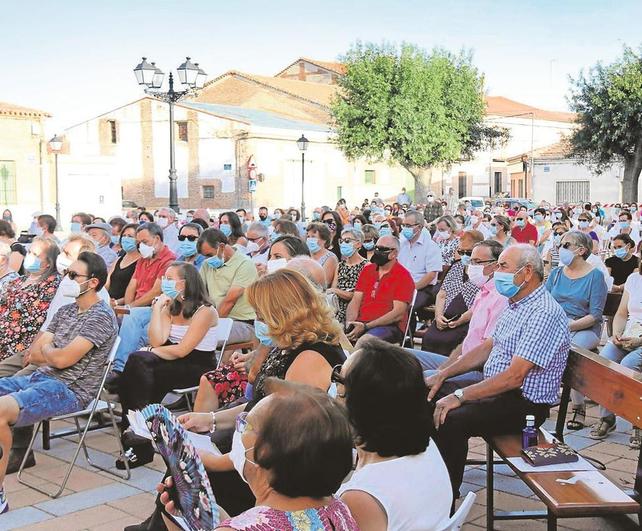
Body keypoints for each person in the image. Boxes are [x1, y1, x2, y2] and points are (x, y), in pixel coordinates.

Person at [426, 244, 570, 499]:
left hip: (523, 405)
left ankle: (445, 498)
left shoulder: (543, 312)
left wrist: (460, 396)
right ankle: (428, 485)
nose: (496, 272)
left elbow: (515, 377)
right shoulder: (516, 304)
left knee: (449, 418)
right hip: (498, 389)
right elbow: (488, 346)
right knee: (425, 393)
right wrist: (443, 373)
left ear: (526, 273)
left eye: (503, 266)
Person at [0, 252, 117, 513]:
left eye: (74, 275)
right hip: (42, 378)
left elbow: (62, 359)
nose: (67, 279)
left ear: (93, 282)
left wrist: (51, 353)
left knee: (1, 410)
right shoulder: (66, 310)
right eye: (67, 274)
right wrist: (52, 353)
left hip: (70, 390)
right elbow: (37, 352)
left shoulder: (100, 316)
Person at [158, 390, 358, 531]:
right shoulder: (339, 511)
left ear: (261, 454)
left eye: (246, 425)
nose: (240, 431)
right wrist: (222, 520)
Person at [335, 337, 452, 530]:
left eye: (339, 388)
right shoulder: (425, 445)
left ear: (362, 407)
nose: (333, 397)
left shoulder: (362, 497)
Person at [116, 262, 218, 469]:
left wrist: (150, 352)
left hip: (196, 363)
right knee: (140, 370)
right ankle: (141, 433)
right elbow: (158, 340)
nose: (165, 282)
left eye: (170, 278)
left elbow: (182, 350)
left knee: (137, 369)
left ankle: (137, 435)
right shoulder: (170, 306)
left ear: (185, 283)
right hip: (167, 357)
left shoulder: (205, 311)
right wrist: (157, 310)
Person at [414, 240, 506, 390]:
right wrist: (444, 368)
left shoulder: (500, 298)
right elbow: (467, 343)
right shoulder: (483, 292)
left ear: (495, 265)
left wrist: (444, 373)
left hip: (477, 370)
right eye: (471, 261)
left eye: (477, 262)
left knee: (420, 378)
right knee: (401, 358)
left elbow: (484, 351)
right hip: (461, 360)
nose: (471, 266)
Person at [545, 231, 607, 431]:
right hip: (556, 325)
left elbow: (595, 315)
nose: (560, 249)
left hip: (584, 328)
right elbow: (543, 302)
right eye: (560, 244)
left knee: (570, 352)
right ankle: (540, 397)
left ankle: (577, 406)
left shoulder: (595, 276)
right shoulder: (556, 274)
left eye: (566, 245)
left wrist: (567, 325)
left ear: (581, 250)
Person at [108, 223, 176, 379]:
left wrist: (129, 308)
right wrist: (125, 307)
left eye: (145, 242)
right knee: (126, 322)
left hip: (157, 307)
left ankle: (119, 369)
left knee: (134, 322)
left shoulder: (168, 260)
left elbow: (156, 292)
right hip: (139, 308)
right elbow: (133, 285)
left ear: (157, 239)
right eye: (139, 243)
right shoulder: (143, 259)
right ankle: (123, 371)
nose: (141, 246)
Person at [589, 262, 642, 447]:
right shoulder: (634, 279)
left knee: (629, 365)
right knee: (604, 362)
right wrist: (616, 334)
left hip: (640, 340)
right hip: (628, 335)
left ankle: (638, 422)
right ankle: (607, 418)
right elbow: (621, 313)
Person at [420, 230, 484, 354]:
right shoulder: (456, 266)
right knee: (429, 337)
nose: (464, 255)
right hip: (445, 317)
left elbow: (481, 303)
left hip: (467, 320)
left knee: (452, 341)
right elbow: (442, 294)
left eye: (468, 252)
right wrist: (438, 316)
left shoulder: (482, 271)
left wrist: (459, 320)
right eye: (461, 252)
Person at [0, 237, 61, 363]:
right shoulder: (18, 281)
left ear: (49, 262)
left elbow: (37, 321)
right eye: (29, 252)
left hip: (17, 346)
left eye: (36, 255)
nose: (30, 257)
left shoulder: (52, 284)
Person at [345, 235, 415, 344]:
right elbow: (355, 301)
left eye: (382, 249)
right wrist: (350, 324)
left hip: (388, 327)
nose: (377, 251)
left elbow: (398, 313)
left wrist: (366, 326)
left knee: (365, 342)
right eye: (376, 248)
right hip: (362, 323)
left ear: (394, 254)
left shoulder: (403, 276)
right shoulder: (368, 270)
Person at [199, 229, 258, 343]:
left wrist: (210, 324)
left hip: (242, 322)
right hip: (216, 318)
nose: (207, 259)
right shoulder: (208, 264)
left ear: (221, 247)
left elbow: (229, 302)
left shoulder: (245, 264)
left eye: (209, 255)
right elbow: (198, 292)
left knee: (202, 338)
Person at [398, 210, 443, 310]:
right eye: (404, 225)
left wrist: (412, 287)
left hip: (421, 287)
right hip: (400, 286)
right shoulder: (400, 244)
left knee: (404, 307)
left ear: (419, 227)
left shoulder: (431, 247)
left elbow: (431, 275)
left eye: (408, 226)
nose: (405, 229)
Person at [328, 228, 366, 324]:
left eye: (348, 241)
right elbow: (333, 291)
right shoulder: (340, 265)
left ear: (358, 244)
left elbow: (358, 295)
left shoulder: (366, 266)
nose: (344, 244)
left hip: (356, 310)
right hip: (336, 309)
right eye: (342, 241)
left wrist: (336, 291)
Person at [107, 223, 142, 305]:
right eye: (124, 235)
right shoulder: (119, 259)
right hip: (109, 302)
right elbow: (107, 283)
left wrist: (116, 302)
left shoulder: (142, 262)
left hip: (124, 305)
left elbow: (137, 292)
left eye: (130, 236)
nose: (126, 238)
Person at [305, 222, 338, 287]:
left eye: (313, 237)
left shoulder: (330, 258)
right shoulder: (306, 256)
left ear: (324, 240)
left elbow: (324, 284)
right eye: (308, 236)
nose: (310, 239)